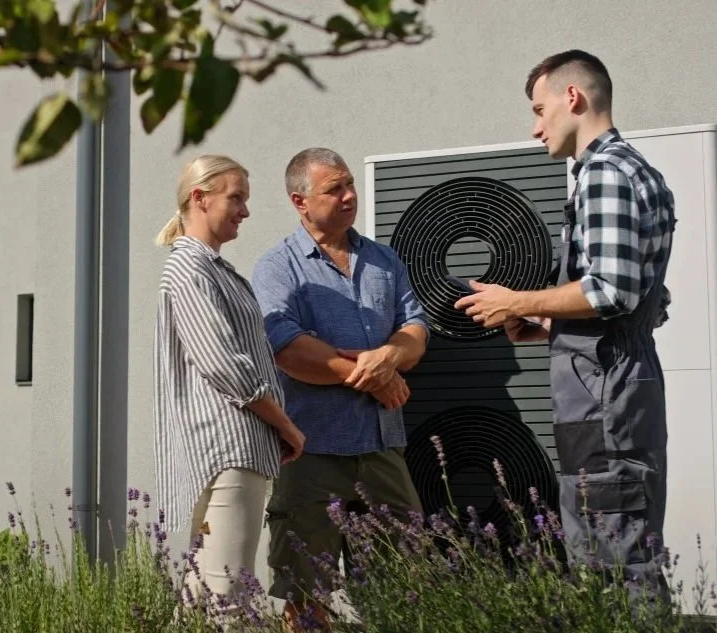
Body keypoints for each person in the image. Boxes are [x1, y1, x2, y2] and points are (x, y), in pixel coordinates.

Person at [455, 50, 674, 600]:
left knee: (612, 558)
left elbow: (611, 290)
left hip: (604, 395)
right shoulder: (640, 171)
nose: (535, 129)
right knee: (621, 539)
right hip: (619, 384)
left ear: (571, 98)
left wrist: (515, 302)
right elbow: (650, 301)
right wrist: (548, 324)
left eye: (538, 109)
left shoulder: (602, 172)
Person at [252, 147, 429, 630]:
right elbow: (286, 347)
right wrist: (376, 378)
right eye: (335, 188)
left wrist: (390, 358)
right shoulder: (278, 267)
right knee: (307, 593)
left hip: (382, 449)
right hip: (310, 453)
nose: (351, 196)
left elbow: (415, 330)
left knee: (406, 583)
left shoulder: (383, 260)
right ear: (300, 201)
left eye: (350, 184)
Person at [152, 155, 306, 612]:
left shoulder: (212, 269)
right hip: (229, 448)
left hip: (235, 447)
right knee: (230, 599)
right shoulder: (189, 268)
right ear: (199, 198)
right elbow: (225, 365)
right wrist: (286, 425)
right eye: (236, 197)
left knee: (200, 600)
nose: (245, 210)